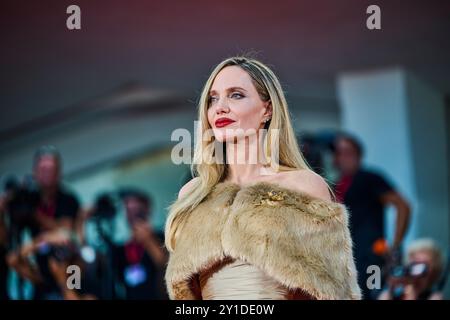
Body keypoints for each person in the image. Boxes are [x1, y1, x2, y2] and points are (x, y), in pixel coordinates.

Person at [164, 56, 361, 300]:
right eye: (213, 98)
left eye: (235, 95)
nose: (220, 107)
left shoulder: (303, 186)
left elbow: (336, 291)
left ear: (267, 109)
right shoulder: (193, 193)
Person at [333, 134, 411, 299]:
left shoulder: (369, 178)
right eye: (338, 153)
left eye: (347, 152)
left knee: (373, 294)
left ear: (358, 156)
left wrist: (395, 245)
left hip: (371, 258)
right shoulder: (337, 184)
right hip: (346, 259)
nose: (342, 158)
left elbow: (403, 206)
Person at [6, 146, 81, 300]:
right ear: (34, 172)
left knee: (75, 293)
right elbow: (12, 249)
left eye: (51, 169)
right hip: (43, 269)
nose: (47, 173)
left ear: (59, 172)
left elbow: (66, 233)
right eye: (42, 169)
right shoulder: (29, 199)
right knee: (13, 259)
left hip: (71, 264)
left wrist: (34, 216)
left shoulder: (68, 199)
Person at [113, 191, 167, 299]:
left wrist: (148, 240)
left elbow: (166, 265)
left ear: (147, 209)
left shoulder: (163, 236)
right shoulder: (121, 249)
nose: (132, 214)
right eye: (128, 210)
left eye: (136, 209)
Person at [379, 238, 445, 300]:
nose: (417, 270)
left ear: (434, 271)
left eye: (423, 265)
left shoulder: (435, 297)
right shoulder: (392, 295)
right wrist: (391, 289)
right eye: (414, 264)